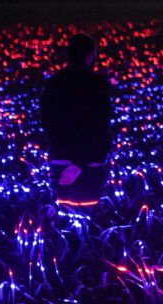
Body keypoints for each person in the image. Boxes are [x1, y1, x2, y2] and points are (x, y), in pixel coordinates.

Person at [39, 33, 114, 207]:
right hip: (90, 160)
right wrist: (83, 160)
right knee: (87, 214)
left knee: (64, 214)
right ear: (91, 55)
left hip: (61, 156)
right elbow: (101, 123)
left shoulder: (54, 83)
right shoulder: (97, 83)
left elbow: (47, 120)